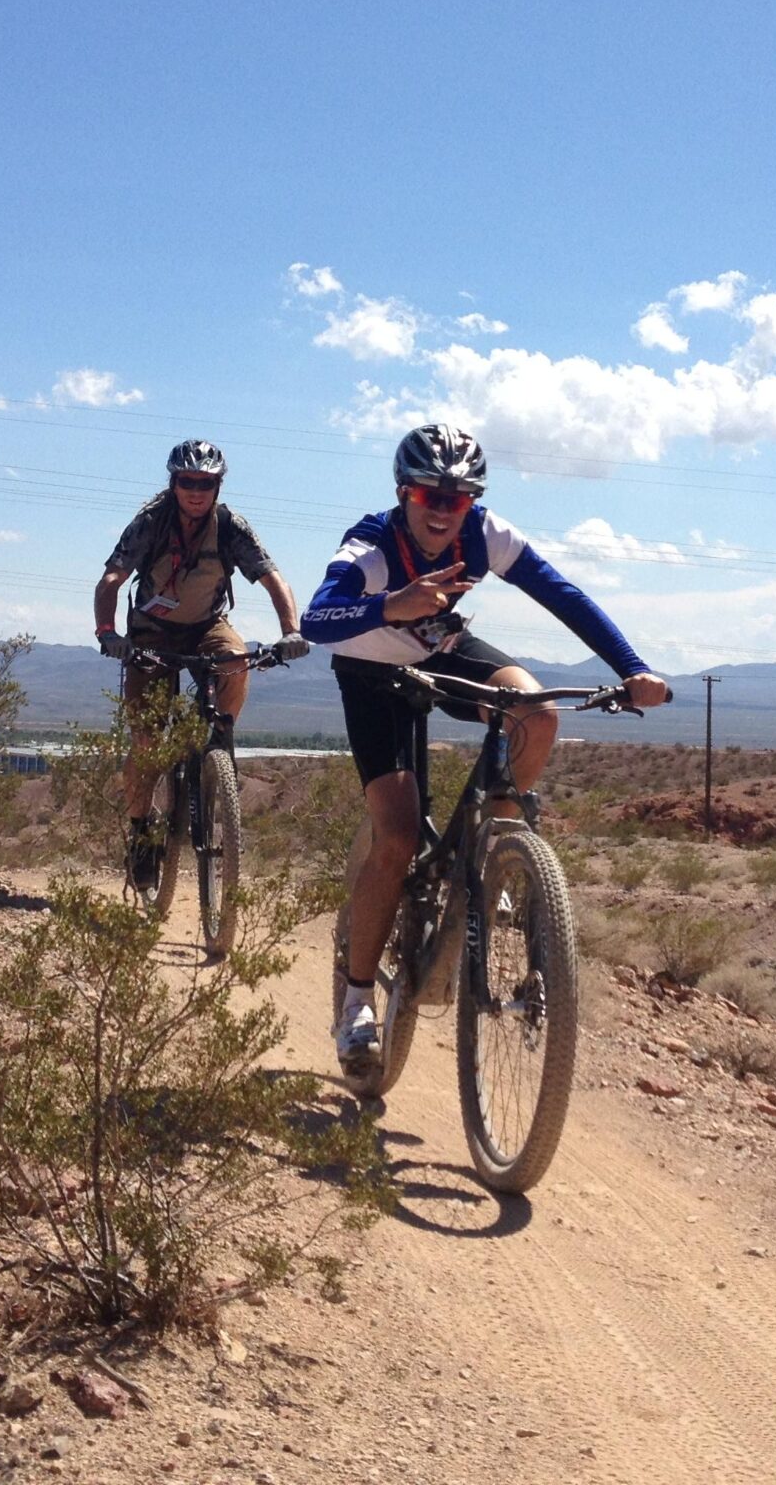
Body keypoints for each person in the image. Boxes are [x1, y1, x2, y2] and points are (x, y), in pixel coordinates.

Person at [302, 422, 668, 1083]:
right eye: (428, 495)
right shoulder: (372, 545)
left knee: (536, 714)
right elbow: (315, 619)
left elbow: (563, 595)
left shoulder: (486, 534)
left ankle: (491, 849)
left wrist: (632, 667)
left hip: (442, 652)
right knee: (397, 834)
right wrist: (390, 605)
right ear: (402, 493)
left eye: (459, 498)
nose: (443, 510)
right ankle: (357, 1002)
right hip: (371, 676)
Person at [95, 440, 309, 897]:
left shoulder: (230, 526)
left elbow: (273, 578)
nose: (196, 491)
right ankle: (140, 832)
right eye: (188, 482)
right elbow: (111, 579)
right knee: (147, 740)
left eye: (205, 483)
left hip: (207, 625)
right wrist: (108, 634)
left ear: (217, 486)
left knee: (234, 660)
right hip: (152, 632)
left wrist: (291, 631)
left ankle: (215, 740)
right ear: (173, 483)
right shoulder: (151, 522)